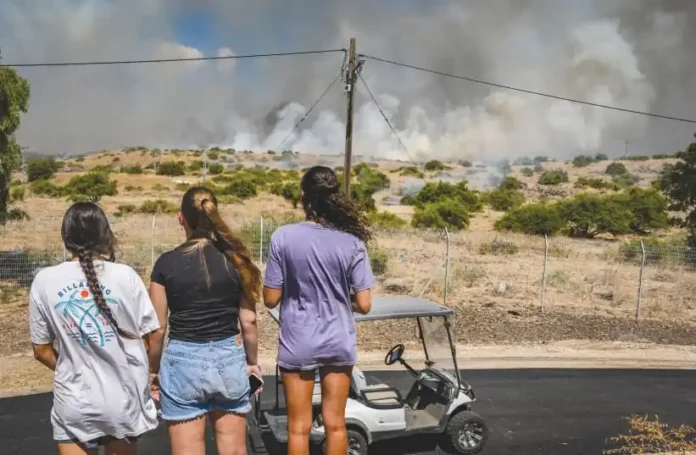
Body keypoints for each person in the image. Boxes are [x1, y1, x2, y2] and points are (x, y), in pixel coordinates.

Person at [28, 202, 160, 455]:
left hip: (75, 399)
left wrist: (71, 368)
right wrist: (148, 371)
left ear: (65, 236)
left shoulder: (44, 280)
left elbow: (41, 350)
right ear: (104, 234)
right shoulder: (125, 276)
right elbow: (152, 335)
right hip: (122, 399)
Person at [263, 166, 375, 455]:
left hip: (298, 339)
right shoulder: (353, 241)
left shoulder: (283, 237)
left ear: (304, 197)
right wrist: (339, 297)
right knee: (335, 424)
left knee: (298, 426)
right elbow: (364, 304)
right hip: (338, 338)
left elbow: (270, 298)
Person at [147, 186, 262, 455]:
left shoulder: (166, 264)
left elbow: (158, 328)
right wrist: (252, 362)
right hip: (229, 360)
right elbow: (249, 321)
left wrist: (152, 370)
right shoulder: (236, 261)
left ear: (181, 218)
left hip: (182, 362)